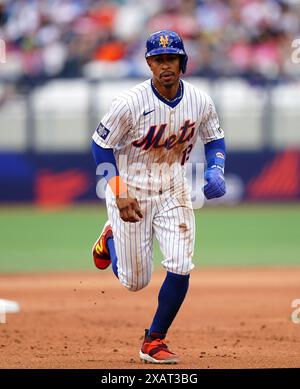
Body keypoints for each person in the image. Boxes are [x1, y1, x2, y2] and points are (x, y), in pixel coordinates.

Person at [91, 30, 226, 364]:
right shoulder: (129, 103)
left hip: (173, 188)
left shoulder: (200, 100)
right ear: (149, 63)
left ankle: (153, 340)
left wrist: (216, 169)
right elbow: (100, 144)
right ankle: (108, 238)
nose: (165, 65)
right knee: (135, 282)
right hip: (130, 191)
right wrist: (118, 191)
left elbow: (214, 138)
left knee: (181, 265)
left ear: (183, 62)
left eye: (172, 58)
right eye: (159, 59)